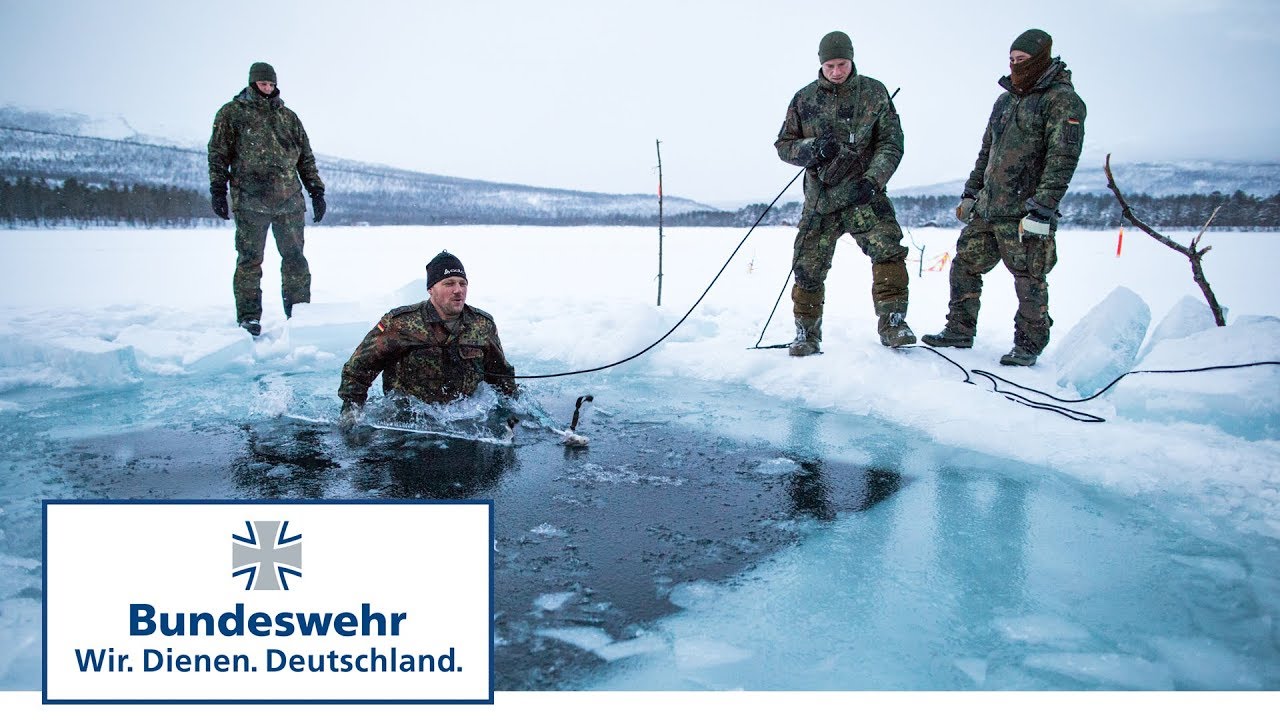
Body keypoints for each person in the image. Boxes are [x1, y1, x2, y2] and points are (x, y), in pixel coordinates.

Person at [922, 29, 1086, 366]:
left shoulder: (1062, 101)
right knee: (965, 265)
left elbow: (1062, 158)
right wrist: (971, 194)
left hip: (1026, 210)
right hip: (989, 206)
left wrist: (1044, 206)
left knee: (1029, 277)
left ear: (1040, 59)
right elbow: (986, 153)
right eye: (1011, 60)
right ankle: (959, 330)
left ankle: (1029, 344)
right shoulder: (1005, 100)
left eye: (1022, 61)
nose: (1015, 66)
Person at [775, 30, 915, 355]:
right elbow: (784, 146)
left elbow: (891, 143)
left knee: (889, 252)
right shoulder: (803, 99)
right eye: (830, 66)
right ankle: (806, 335)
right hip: (820, 201)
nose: (836, 71)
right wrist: (812, 149)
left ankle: (893, 323)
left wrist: (874, 179)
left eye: (842, 64)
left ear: (851, 60)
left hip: (864, 196)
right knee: (807, 267)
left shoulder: (874, 93)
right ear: (821, 65)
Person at [208, 61, 326, 337]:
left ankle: (299, 313)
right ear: (252, 83)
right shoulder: (232, 114)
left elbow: (305, 158)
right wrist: (218, 189)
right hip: (250, 201)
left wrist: (316, 191)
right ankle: (249, 317)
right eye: (263, 84)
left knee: (295, 258)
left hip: (289, 201)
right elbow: (218, 154)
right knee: (250, 259)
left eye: (271, 84)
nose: (267, 88)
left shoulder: (288, 117)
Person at [338, 251, 518, 428]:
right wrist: (351, 414)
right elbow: (358, 368)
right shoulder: (401, 323)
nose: (458, 290)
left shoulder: (482, 324)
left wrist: (511, 415)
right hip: (405, 424)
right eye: (449, 284)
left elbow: (501, 375)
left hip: (463, 424)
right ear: (431, 289)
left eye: (463, 284)